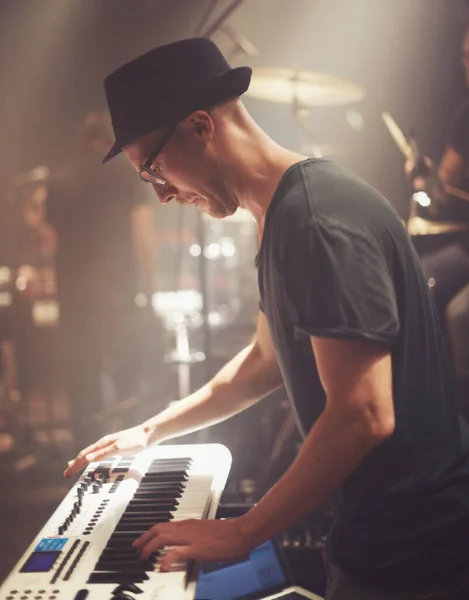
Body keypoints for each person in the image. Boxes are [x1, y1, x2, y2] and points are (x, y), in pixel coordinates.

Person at [64, 39, 469, 599]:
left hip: (417, 559)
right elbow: (265, 359)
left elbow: (365, 414)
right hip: (386, 541)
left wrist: (240, 533)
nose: (160, 194)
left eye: (153, 168)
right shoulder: (283, 214)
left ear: (201, 126)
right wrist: (152, 430)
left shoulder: (315, 221)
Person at [46, 110, 162, 451]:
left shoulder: (58, 181)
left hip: (73, 296)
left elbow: (51, 242)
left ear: (82, 141)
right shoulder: (127, 178)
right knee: (126, 375)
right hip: (118, 293)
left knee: (82, 379)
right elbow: (143, 238)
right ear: (112, 141)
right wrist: (150, 291)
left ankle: (84, 453)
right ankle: (126, 449)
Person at [406, 26, 469, 422]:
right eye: (465, 55)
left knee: (461, 314)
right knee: (418, 283)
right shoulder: (466, 113)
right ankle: (432, 408)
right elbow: (446, 182)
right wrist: (425, 178)